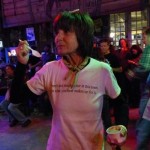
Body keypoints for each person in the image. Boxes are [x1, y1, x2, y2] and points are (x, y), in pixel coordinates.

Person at [11, 11, 123, 150]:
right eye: (57, 32)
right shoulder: (50, 69)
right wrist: (21, 64)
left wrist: (120, 128)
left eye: (66, 32)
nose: (58, 37)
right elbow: (16, 98)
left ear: (82, 35)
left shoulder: (102, 70)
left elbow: (120, 103)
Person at [126, 27, 150, 150]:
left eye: (144, 37)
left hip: (148, 93)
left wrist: (132, 73)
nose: (143, 40)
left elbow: (144, 68)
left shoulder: (149, 49)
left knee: (143, 127)